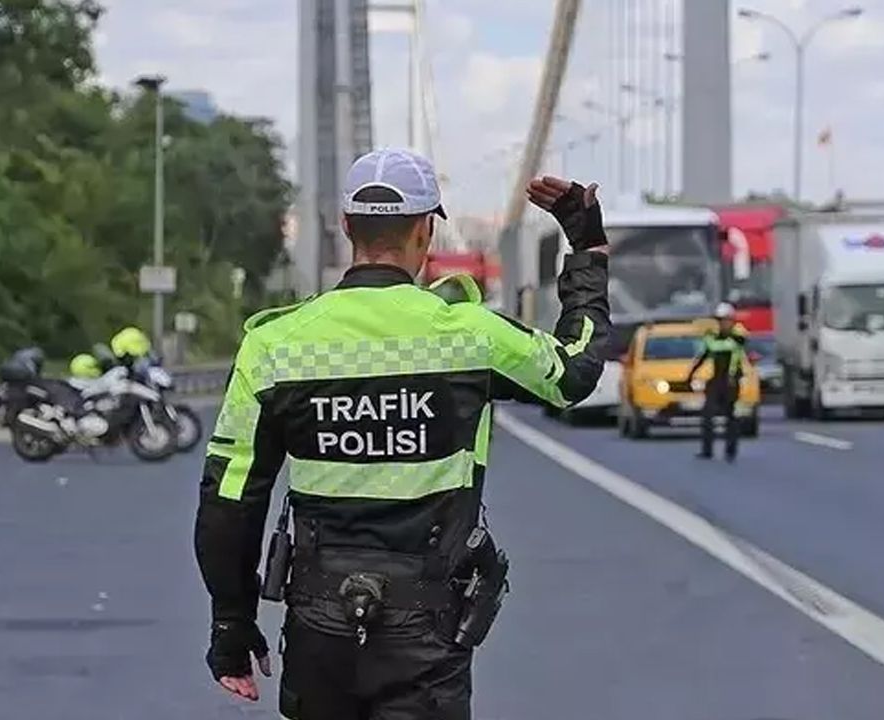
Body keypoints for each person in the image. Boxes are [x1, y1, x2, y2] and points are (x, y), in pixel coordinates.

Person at [194, 148, 611, 720]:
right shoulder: (469, 335)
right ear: (426, 229)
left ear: (347, 228)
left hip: (319, 627)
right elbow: (573, 372)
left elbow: (229, 501)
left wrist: (231, 627)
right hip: (428, 631)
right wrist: (586, 250)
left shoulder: (275, 347)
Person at [687, 302, 748, 462]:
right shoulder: (714, 338)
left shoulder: (738, 338)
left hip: (732, 381)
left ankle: (730, 450)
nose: (723, 323)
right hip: (716, 380)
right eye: (721, 320)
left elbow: (728, 347)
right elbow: (703, 356)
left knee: (731, 417)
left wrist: (711, 341)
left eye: (726, 320)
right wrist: (691, 374)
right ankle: (707, 450)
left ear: (732, 321)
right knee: (707, 415)